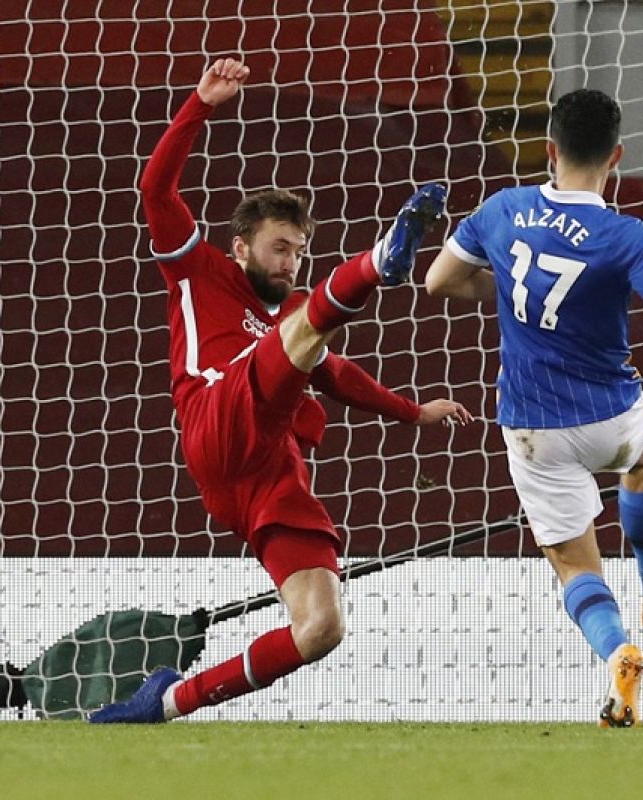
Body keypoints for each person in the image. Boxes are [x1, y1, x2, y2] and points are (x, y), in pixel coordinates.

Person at [90, 59, 471, 723]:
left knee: (321, 627)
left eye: (297, 251)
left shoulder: (293, 310)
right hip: (216, 412)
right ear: (241, 247)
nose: (289, 261)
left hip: (268, 469)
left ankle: (167, 703)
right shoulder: (196, 268)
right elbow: (155, 190)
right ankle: (382, 262)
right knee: (300, 331)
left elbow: (338, 375)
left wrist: (414, 412)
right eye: (277, 248)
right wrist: (200, 105)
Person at [424, 88, 643, 727]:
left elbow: (440, 281)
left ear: (549, 149)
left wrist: (509, 289)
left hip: (532, 423)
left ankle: (619, 650)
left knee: (572, 563)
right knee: (642, 460)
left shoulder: (502, 209)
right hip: (610, 415)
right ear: (615, 156)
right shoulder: (624, 236)